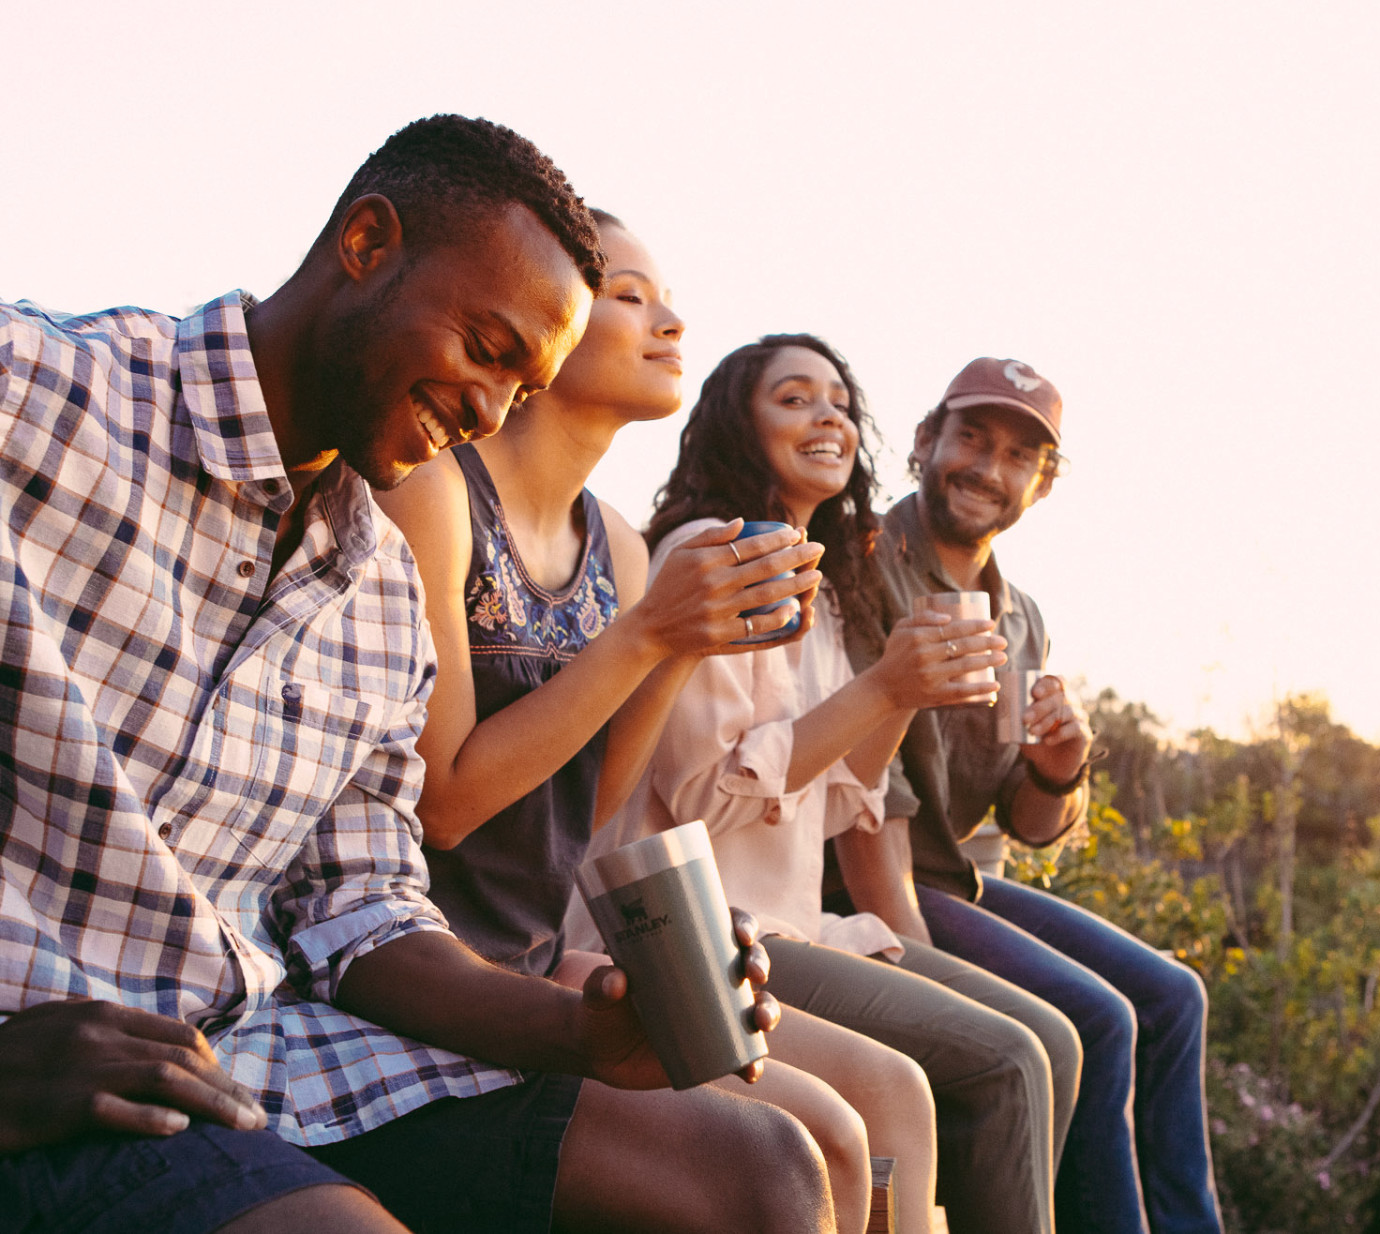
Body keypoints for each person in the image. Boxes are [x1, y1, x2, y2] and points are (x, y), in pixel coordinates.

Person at [0, 116, 834, 1234]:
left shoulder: (383, 581)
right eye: (486, 348)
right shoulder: (41, 393)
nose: (490, 410)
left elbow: (362, 910)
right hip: (47, 1053)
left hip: (254, 1043)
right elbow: (457, 802)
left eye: (522, 388)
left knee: (760, 1167)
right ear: (366, 244)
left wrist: (588, 1029)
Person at [378, 210, 938, 1234]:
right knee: (782, 1159)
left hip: (536, 949)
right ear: (547, 316)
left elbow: (586, 805)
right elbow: (445, 803)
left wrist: (678, 642)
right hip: (427, 961)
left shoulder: (620, 546)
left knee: (850, 1129)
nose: (670, 322)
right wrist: (648, 634)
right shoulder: (439, 491)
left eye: (666, 299)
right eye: (630, 297)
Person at [592, 333, 1087, 1234]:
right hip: (705, 925)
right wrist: (883, 689)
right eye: (794, 398)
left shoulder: (821, 584)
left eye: (840, 403)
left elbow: (839, 801)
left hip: (791, 920)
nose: (827, 417)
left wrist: (902, 693)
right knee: (1006, 1057)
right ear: (738, 424)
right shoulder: (711, 555)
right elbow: (705, 795)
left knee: (1053, 1037)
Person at [833, 357, 1223, 1234]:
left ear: (1042, 485)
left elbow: (1028, 822)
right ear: (926, 440)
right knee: (1100, 1018)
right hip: (857, 876)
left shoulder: (1020, 616)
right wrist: (917, 966)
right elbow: (867, 801)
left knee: (1174, 997)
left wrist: (1059, 767)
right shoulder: (865, 565)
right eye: (972, 438)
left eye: (1019, 456)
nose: (988, 468)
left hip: (954, 876)